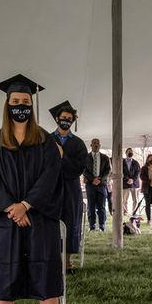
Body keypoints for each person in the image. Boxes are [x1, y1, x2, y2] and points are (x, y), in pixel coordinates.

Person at [0, 74, 63, 304]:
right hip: (6, 221)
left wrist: (25, 205)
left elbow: (50, 177)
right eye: (15, 101)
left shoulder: (45, 141)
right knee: (4, 275)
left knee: (45, 271)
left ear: (32, 106)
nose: (21, 106)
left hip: (39, 217)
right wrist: (12, 208)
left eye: (25, 101)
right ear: (7, 105)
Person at [49, 101, 88, 271]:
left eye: (69, 119)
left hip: (71, 188)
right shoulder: (47, 140)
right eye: (63, 118)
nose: (66, 121)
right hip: (50, 188)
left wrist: (63, 156)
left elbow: (79, 168)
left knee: (71, 222)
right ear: (57, 118)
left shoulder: (78, 143)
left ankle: (68, 261)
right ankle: (54, 260)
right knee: (51, 223)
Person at [84, 138, 111, 232]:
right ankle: (92, 225)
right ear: (91, 145)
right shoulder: (85, 157)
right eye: (94, 143)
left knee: (101, 205)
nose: (96, 145)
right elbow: (84, 170)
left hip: (101, 184)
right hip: (90, 184)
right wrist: (92, 179)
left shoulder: (105, 157)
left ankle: (102, 225)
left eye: (97, 143)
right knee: (90, 205)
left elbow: (108, 170)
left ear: (100, 145)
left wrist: (100, 179)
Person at [122, 148, 140, 215]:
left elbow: (137, 172)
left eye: (131, 152)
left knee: (135, 199)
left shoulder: (136, 163)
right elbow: (121, 172)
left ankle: (134, 212)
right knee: (124, 199)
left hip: (134, 184)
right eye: (129, 152)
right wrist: (127, 179)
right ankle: (125, 212)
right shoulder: (122, 162)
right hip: (125, 183)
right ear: (126, 153)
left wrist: (132, 179)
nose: (130, 153)